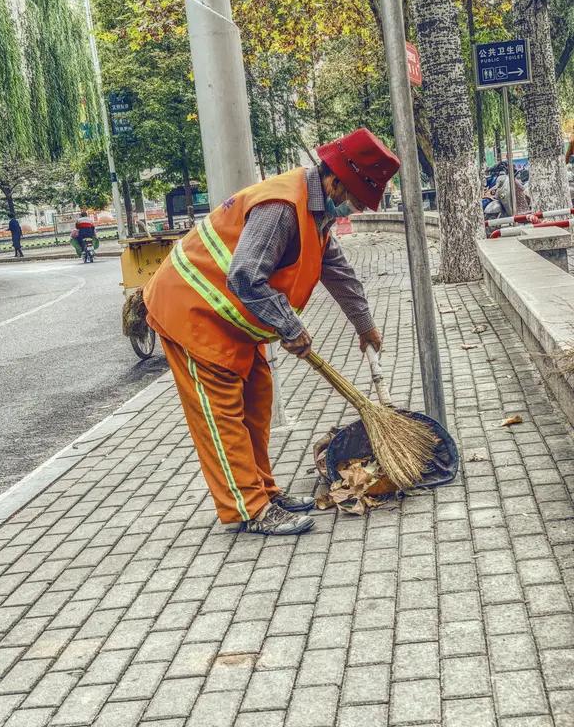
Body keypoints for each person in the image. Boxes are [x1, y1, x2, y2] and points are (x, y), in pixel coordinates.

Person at [143, 128, 399, 536]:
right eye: (350, 200)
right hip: (193, 314)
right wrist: (289, 326)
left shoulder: (317, 214)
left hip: (234, 324)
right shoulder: (281, 207)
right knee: (223, 416)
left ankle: (264, 490)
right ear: (334, 181)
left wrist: (364, 325)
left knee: (257, 403)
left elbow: (338, 273)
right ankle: (249, 509)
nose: (349, 210)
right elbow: (244, 277)